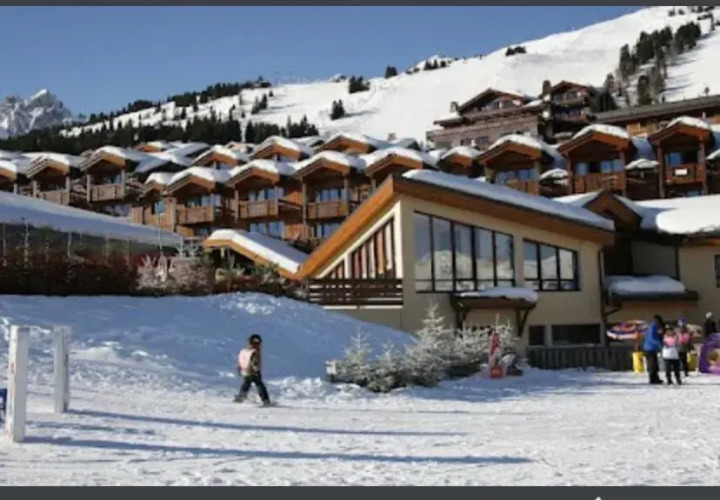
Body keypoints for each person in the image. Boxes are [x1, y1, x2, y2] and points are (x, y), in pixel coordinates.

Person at [234, 334, 271, 406]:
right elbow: (255, 363)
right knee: (259, 385)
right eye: (257, 343)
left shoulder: (245, 351)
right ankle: (265, 400)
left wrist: (240, 368)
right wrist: (256, 370)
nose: (258, 345)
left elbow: (241, 360)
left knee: (246, 384)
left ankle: (241, 397)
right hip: (253, 372)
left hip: (246, 371)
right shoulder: (254, 352)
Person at [644, 315, 664, 385]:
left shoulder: (656, 327)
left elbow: (657, 336)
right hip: (650, 348)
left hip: (653, 348)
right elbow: (652, 338)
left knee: (655, 364)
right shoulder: (653, 327)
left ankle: (656, 378)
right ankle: (652, 379)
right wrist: (659, 344)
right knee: (652, 364)